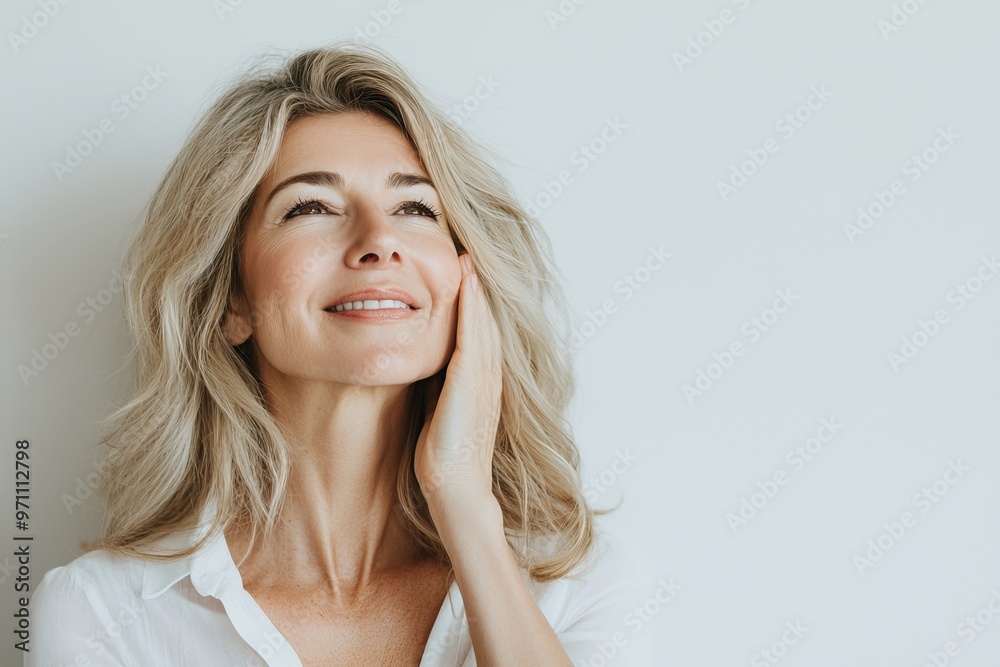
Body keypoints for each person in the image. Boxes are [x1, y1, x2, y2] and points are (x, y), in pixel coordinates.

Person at [27, 42, 652, 666]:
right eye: (311, 207)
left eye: (414, 207)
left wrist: (461, 491)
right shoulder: (101, 615)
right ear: (229, 300)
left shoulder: (574, 586)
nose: (379, 241)